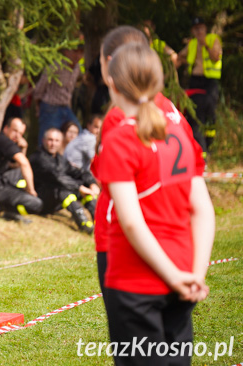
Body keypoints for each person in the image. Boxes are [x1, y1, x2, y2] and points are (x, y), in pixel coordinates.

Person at [94, 43, 214, 364]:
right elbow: (202, 209)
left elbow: (131, 221)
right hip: (183, 270)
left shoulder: (120, 138)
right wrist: (193, 274)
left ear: (112, 83)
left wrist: (173, 276)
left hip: (136, 280)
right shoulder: (179, 132)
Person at [91, 26, 205, 299]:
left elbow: (108, 182)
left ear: (110, 66)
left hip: (128, 248)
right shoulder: (172, 113)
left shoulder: (121, 120)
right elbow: (199, 200)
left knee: (134, 341)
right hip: (177, 242)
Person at [29, 128, 96, 233]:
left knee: (85, 188)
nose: (53, 144)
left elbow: (79, 172)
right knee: (62, 190)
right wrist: (79, 187)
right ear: (44, 140)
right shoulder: (38, 158)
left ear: (61, 142)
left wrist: (92, 183)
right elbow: (56, 177)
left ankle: (98, 220)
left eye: (56, 141)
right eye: (50, 140)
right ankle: (84, 224)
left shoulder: (60, 160)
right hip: (40, 200)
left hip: (56, 200)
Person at [0, 117, 42, 222]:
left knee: (18, 173)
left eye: (21, 133)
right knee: (36, 203)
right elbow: (24, 163)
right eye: (15, 131)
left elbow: (15, 166)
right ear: (6, 128)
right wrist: (31, 190)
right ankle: (4, 209)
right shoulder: (5, 141)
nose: (17, 136)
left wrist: (24, 148)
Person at [175, 16, 222, 153]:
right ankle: (200, 150)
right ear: (192, 31)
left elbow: (215, 57)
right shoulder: (192, 44)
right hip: (195, 82)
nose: (199, 31)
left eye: (201, 28)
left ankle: (209, 145)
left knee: (210, 115)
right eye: (195, 29)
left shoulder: (213, 40)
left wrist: (205, 44)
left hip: (210, 83)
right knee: (196, 115)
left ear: (205, 28)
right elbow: (180, 57)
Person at [33, 48, 82, 145]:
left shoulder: (77, 68)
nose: (77, 55)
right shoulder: (56, 65)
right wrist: (39, 105)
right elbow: (41, 86)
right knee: (48, 138)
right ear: (66, 52)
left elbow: (69, 91)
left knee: (78, 132)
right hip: (50, 106)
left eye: (80, 52)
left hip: (65, 107)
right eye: (74, 51)